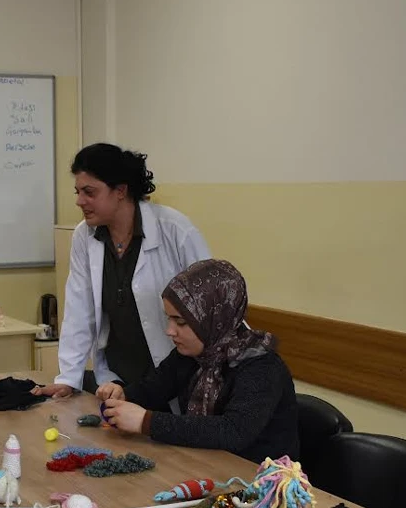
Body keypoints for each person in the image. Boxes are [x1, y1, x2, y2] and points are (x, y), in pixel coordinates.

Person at [34, 143, 211, 400]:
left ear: (120, 190)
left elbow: (211, 307)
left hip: (178, 377)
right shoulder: (85, 236)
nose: (79, 201)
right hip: (118, 379)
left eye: (89, 192)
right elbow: (79, 311)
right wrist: (68, 379)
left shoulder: (175, 230)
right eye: (78, 192)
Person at [97, 259, 299, 464]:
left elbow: (233, 431)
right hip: (206, 466)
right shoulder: (193, 353)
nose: (169, 330)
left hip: (261, 477)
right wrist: (124, 394)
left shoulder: (262, 366)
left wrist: (146, 421)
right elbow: (154, 388)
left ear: (213, 319)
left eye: (181, 322)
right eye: (169, 318)